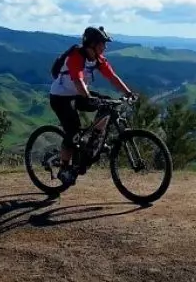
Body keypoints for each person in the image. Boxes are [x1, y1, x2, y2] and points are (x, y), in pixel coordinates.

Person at [48, 25, 135, 185]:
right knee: (72, 130)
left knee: (107, 104)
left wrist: (128, 93)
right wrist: (88, 97)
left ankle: (95, 140)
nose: (105, 47)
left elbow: (112, 77)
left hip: (78, 94)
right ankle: (64, 168)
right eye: (102, 43)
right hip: (60, 97)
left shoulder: (98, 59)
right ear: (92, 44)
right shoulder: (76, 57)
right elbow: (78, 80)